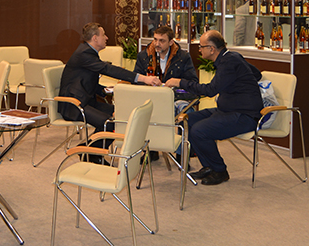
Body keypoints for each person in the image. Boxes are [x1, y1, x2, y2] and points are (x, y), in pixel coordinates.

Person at [161, 30, 262, 186]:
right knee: (188, 121)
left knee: (199, 130)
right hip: (227, 110)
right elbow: (256, 74)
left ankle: (220, 170)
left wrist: (180, 82)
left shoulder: (229, 62)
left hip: (244, 115)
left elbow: (210, 90)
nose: (199, 50)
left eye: (201, 47)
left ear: (212, 49)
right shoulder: (231, 57)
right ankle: (208, 166)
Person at [59, 22, 160, 132]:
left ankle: (95, 142)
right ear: (95, 38)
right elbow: (108, 69)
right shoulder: (84, 54)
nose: (106, 38)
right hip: (74, 105)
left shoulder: (87, 51)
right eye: (103, 35)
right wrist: (143, 78)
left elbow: (83, 81)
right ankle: (91, 144)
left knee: (123, 113)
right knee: (110, 124)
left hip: (86, 101)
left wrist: (105, 90)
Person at [134, 25, 199, 110]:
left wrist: (176, 83)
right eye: (155, 39)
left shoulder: (183, 57)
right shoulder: (143, 56)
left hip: (173, 99)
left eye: (162, 41)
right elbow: (135, 81)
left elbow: (193, 83)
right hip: (149, 98)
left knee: (185, 109)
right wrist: (147, 82)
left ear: (171, 42)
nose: (157, 44)